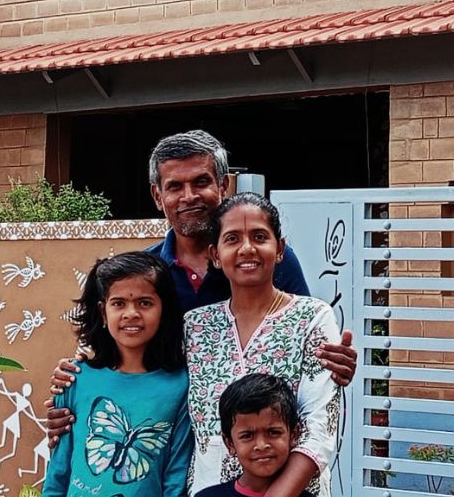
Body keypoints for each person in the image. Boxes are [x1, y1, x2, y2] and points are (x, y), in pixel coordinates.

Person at [47, 131, 357, 440]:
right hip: (162, 440)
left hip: (258, 446)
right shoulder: (143, 277)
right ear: (157, 196)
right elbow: (106, 354)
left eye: (200, 182)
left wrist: (332, 363)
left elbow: (304, 344)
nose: (189, 196)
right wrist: (71, 391)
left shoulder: (269, 262)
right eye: (174, 187)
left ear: (223, 185)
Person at [182, 193, 341, 497]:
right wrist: (75, 375)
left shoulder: (313, 318)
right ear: (215, 254)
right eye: (232, 239)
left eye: (259, 236)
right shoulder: (195, 326)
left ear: (279, 249)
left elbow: (320, 425)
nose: (246, 249)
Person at [42, 252, 193, 497]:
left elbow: (174, 481)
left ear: (163, 310)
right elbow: (58, 473)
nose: (131, 313)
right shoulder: (76, 379)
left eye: (145, 303)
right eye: (119, 303)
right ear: (103, 312)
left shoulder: (180, 386)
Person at [190, 374, 327, 497]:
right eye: (247, 435)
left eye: (273, 432)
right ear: (230, 443)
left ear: (294, 435)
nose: (261, 445)